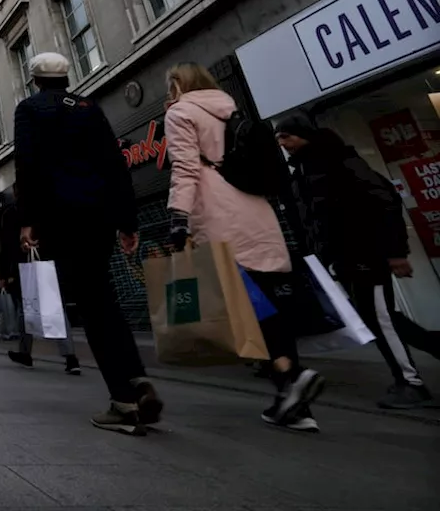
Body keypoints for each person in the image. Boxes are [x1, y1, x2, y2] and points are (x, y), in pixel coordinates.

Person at [166, 62, 324, 432]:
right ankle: (294, 403)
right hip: (257, 215)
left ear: (177, 84)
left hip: (219, 216)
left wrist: (177, 218)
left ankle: (290, 375)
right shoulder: (233, 110)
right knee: (270, 304)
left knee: (248, 309)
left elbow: (186, 170)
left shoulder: (180, 114)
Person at [13, 52, 159, 436]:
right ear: (65, 76)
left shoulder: (29, 109)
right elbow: (115, 163)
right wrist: (127, 221)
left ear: (35, 80)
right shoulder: (88, 108)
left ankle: (123, 401)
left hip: (61, 217)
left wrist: (28, 219)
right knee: (104, 297)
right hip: (100, 215)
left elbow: (27, 165)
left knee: (93, 306)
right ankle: (137, 380)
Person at [276, 115, 438, 410]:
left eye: (286, 137)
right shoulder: (303, 170)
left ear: (303, 135)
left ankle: (411, 383)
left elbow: (384, 200)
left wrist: (395, 252)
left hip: (365, 254)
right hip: (346, 258)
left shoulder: (338, 162)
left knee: (382, 318)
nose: (283, 144)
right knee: (380, 317)